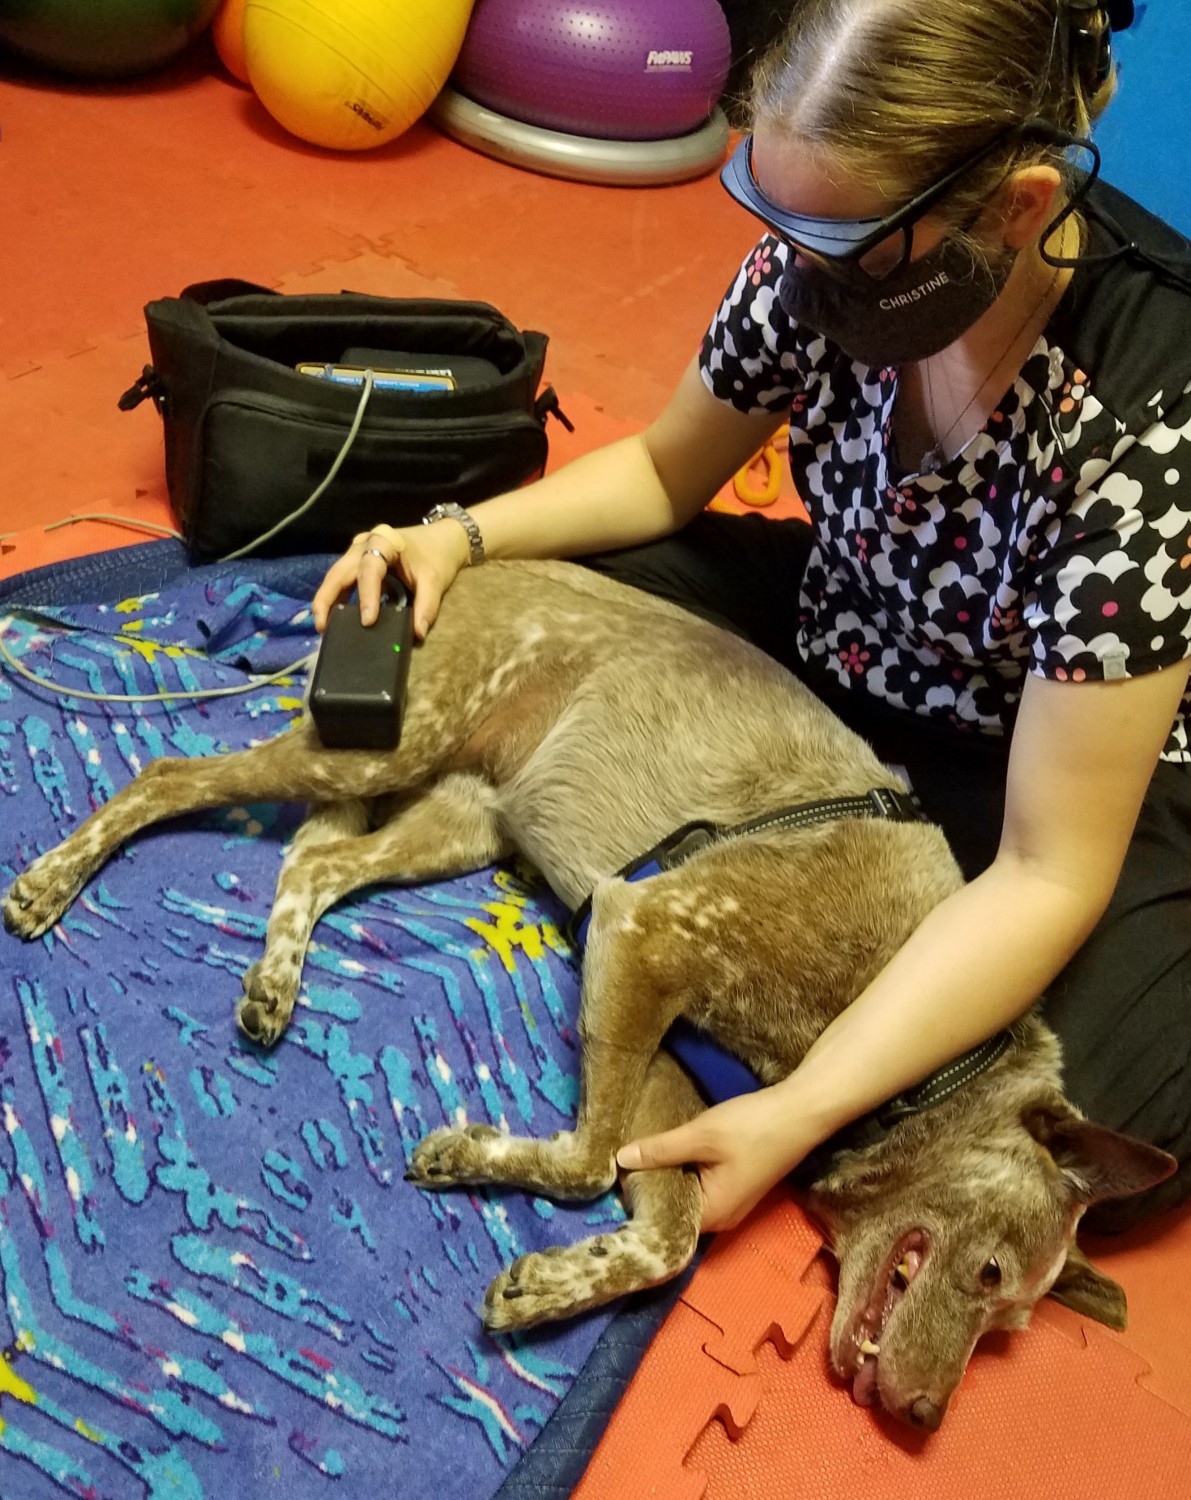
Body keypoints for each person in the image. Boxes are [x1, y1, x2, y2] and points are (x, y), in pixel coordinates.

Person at [313, 0, 1191, 1236]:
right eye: (786, 223)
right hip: (848, 619)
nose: (798, 268)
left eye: (845, 242)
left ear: (1018, 208)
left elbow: (1051, 871)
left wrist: (803, 1111)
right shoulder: (827, 252)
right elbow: (669, 473)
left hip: (1032, 747)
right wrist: (454, 535)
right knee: (543, 594)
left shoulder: (1152, 418)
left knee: (1108, 1117)